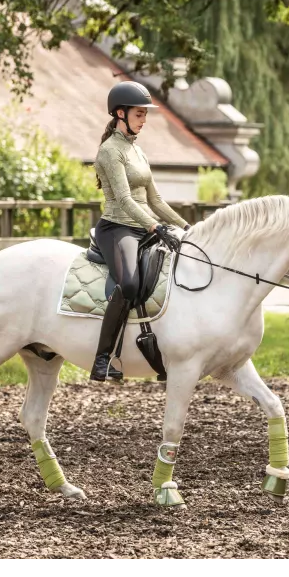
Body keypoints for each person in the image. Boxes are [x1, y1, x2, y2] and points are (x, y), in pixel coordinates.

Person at [90, 80, 190, 381]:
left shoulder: (137, 151)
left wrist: (188, 228)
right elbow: (123, 199)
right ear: (120, 114)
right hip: (118, 228)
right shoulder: (110, 151)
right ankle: (102, 359)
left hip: (146, 226)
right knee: (130, 285)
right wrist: (155, 226)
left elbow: (155, 199)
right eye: (139, 114)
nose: (144, 120)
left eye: (145, 114)